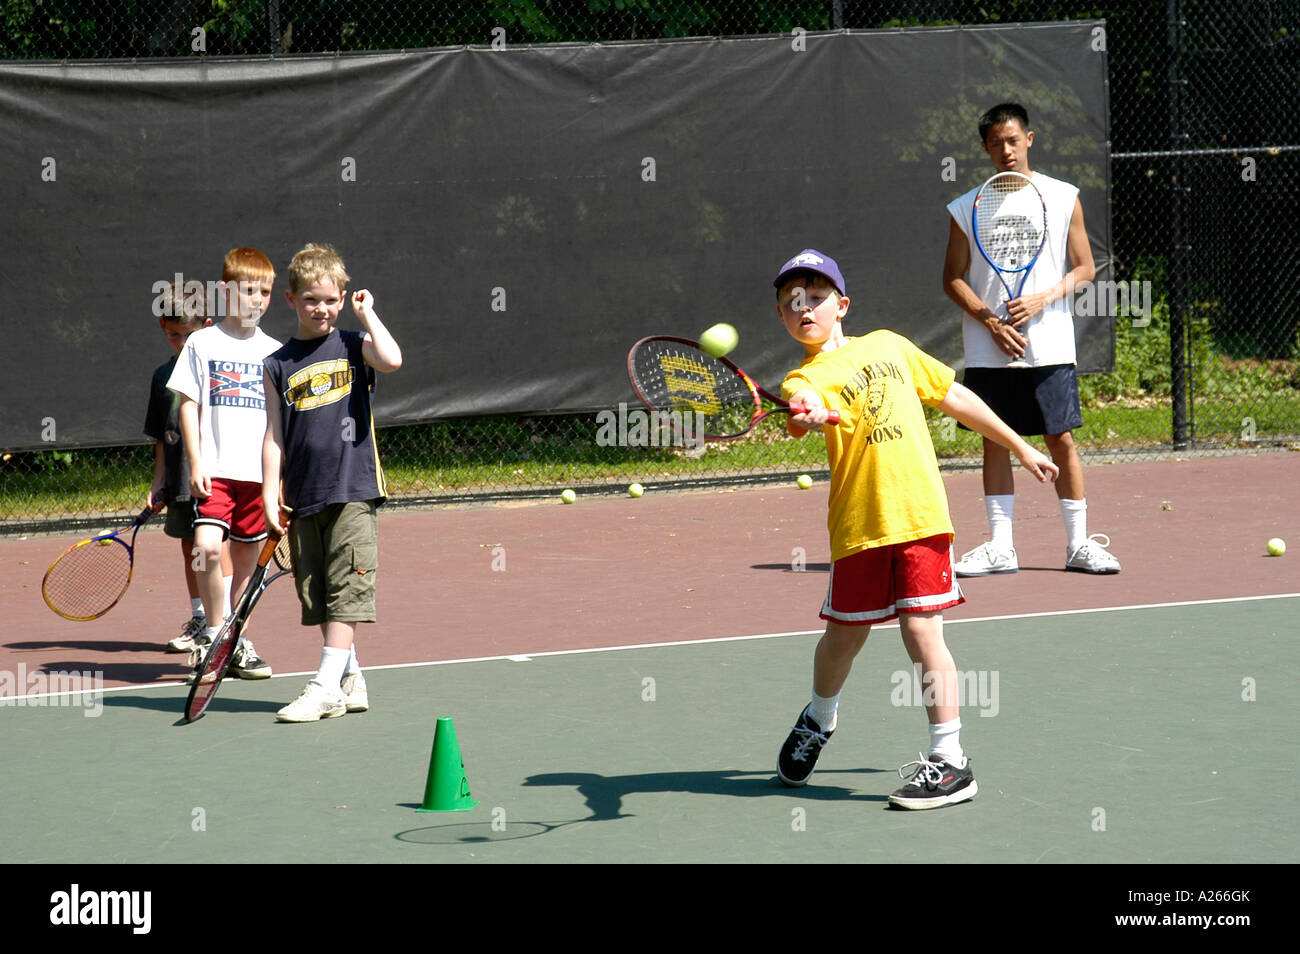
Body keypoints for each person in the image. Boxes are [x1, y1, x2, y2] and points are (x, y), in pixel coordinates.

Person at [771, 249, 1059, 809]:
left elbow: (953, 395)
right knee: (842, 640)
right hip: (859, 526)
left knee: (923, 632)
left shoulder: (889, 344)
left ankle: (950, 762)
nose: (802, 307)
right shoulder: (803, 376)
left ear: (842, 305)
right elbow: (805, 407)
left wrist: (1019, 445)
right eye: (790, 302)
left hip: (921, 516)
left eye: (814, 296)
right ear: (784, 318)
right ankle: (819, 718)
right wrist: (804, 411)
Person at [942, 102, 1121, 576]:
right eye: (996, 142)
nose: (1006, 150)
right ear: (985, 148)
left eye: (1013, 140)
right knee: (995, 441)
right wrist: (989, 320)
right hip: (988, 348)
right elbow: (953, 278)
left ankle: (1079, 544)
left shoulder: (1063, 197)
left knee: (1059, 437)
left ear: (1029, 140)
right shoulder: (967, 207)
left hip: (1050, 344)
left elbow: (1084, 269)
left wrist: (1043, 298)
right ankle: (1002, 548)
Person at [261, 243, 402, 722]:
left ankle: (323, 686)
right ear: (291, 299)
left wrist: (367, 317)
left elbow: (392, 359)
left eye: (330, 300)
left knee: (347, 588)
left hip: (353, 489)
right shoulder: (277, 364)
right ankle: (349, 676)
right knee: (319, 593)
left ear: (342, 298)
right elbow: (273, 437)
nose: (320, 309)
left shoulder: (351, 345)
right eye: (310, 300)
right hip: (302, 496)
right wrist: (268, 492)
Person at [167, 247, 281, 678]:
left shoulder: (277, 351)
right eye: (248, 290)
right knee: (208, 548)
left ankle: (238, 642)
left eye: (265, 291)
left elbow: (280, 423)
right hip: (216, 473)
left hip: (259, 478)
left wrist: (278, 481)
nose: (257, 299)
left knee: (249, 568)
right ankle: (215, 636)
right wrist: (196, 462)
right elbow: (188, 405)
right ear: (226, 291)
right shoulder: (201, 342)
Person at [143, 281, 234, 654]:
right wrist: (159, 481)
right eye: (174, 335)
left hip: (215, 478)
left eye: (189, 334)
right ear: (164, 329)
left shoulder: (220, 370)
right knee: (189, 548)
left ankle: (223, 622)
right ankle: (201, 618)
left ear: (208, 325)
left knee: (215, 548)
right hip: (181, 478)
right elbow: (164, 435)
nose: (181, 343)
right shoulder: (162, 377)